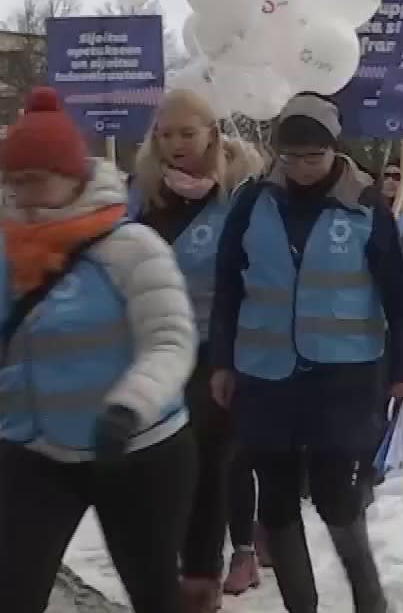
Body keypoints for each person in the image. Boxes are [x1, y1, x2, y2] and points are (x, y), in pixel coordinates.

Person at [0, 87, 196, 613]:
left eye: (37, 180)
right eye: (14, 183)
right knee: (14, 596)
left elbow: (171, 339)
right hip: (37, 450)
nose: (26, 196)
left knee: (155, 594)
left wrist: (128, 405)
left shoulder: (131, 246)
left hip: (138, 451)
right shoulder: (6, 252)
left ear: (75, 176)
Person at [209, 93, 403, 613]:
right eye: (291, 156)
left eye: (313, 157)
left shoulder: (367, 207)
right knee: (275, 501)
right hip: (265, 375)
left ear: (333, 150)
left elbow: (400, 297)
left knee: (335, 496)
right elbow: (227, 287)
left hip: (343, 377)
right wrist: (220, 360)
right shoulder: (252, 203)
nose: (301, 168)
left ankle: (369, 598)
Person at [130, 88, 263, 611]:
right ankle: (181, 562)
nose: (176, 144)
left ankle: (206, 572)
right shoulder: (144, 195)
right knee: (162, 458)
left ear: (212, 132)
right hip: (157, 346)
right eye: (166, 134)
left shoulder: (240, 194)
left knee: (208, 457)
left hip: (221, 346)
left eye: (188, 132)